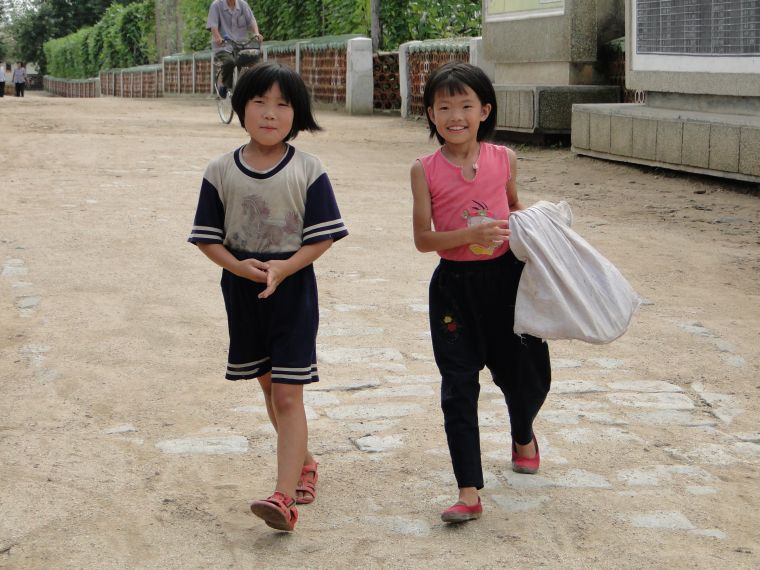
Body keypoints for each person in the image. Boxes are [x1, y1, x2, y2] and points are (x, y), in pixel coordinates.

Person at [188, 62, 348, 532]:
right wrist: (240, 267)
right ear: (241, 109)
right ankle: (305, 462)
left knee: (287, 394)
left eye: (282, 104)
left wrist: (285, 267)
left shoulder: (308, 169)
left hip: (293, 291)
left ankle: (283, 498)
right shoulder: (220, 171)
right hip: (243, 291)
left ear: (298, 114)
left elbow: (323, 237)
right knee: (267, 386)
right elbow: (206, 238)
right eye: (259, 102)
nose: (270, 113)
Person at [410, 62, 551, 524]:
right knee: (458, 385)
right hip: (454, 290)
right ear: (431, 114)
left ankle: (523, 431)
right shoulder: (424, 170)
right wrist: (467, 235)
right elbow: (423, 239)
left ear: (484, 110)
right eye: (444, 107)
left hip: (507, 282)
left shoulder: (504, 158)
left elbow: (514, 206)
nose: (455, 116)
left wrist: (535, 229)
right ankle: (468, 491)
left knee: (526, 376)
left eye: (465, 105)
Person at [207, 0, 263, 96]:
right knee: (229, 62)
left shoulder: (243, 5)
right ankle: (225, 85)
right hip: (223, 45)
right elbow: (213, 25)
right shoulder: (216, 5)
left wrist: (256, 33)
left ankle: (250, 88)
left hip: (242, 45)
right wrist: (218, 37)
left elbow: (251, 21)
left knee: (252, 63)